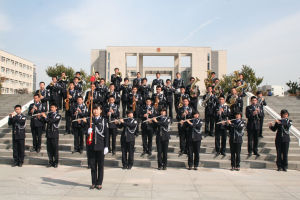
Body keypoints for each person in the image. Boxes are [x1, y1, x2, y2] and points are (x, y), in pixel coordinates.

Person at [83, 105, 109, 190]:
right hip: (91, 146)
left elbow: (106, 134)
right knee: (93, 166)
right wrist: (87, 131)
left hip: (100, 146)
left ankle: (99, 183)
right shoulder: (89, 120)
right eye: (94, 109)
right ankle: (93, 182)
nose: (95, 111)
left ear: (100, 111)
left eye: (97, 109)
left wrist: (106, 146)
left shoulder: (104, 120)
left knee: (100, 166)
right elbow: (84, 131)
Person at [42, 103, 61, 168]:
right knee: (49, 149)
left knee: (55, 148)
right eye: (51, 107)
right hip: (49, 133)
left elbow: (52, 121)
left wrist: (45, 117)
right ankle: (50, 161)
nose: (51, 109)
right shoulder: (49, 114)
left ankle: (56, 162)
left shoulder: (58, 115)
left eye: (53, 107)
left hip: (54, 134)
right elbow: (45, 121)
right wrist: (42, 117)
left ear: (56, 108)